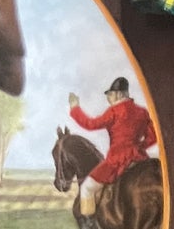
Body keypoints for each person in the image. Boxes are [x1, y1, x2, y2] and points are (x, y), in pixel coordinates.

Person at [67, 77, 157, 220]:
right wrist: (137, 148)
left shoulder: (114, 111)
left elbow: (90, 124)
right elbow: (153, 137)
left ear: (120, 94)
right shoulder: (142, 112)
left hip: (116, 160)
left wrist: (75, 108)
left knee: (87, 188)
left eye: (111, 94)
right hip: (139, 157)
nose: (108, 98)